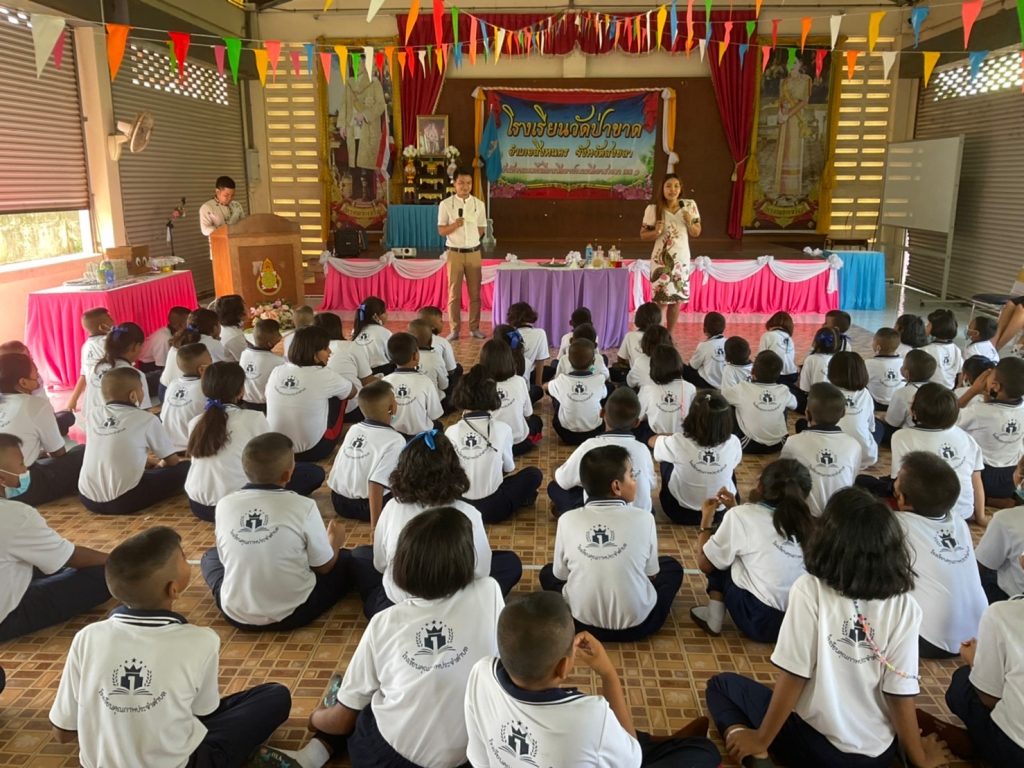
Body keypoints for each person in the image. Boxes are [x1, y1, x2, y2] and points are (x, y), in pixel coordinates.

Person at [705, 487, 952, 768]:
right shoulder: (905, 605)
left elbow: (794, 675)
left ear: (827, 540)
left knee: (721, 686)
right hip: (875, 757)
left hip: (816, 749)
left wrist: (762, 738)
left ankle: (757, 757)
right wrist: (920, 756)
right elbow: (899, 691)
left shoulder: (810, 590)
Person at [263, 507, 503, 768]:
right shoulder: (489, 592)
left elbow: (341, 721)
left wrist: (313, 719)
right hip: (468, 760)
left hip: (388, 761)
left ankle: (314, 753)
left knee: (366, 702)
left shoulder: (386, 622)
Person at [49, 526, 291, 767]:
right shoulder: (201, 640)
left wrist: (118, 720)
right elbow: (203, 711)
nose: (187, 559)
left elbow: (63, 733)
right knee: (274, 696)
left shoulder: (87, 637)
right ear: (173, 589)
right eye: (183, 557)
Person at [464, 592, 721, 768]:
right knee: (704, 753)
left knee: (605, 736)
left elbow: (479, 758)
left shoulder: (480, 673)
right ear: (564, 666)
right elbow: (634, 761)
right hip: (607, 742)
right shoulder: (591, 715)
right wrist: (607, 673)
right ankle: (666, 745)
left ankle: (660, 742)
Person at [352, 430, 522, 618]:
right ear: (454, 470)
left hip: (402, 604)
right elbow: (481, 571)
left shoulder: (392, 507)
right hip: (454, 603)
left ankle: (388, 611)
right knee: (509, 564)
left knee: (360, 556)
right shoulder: (468, 513)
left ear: (403, 471)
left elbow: (380, 563)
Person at [201, 433, 351, 631]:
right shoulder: (302, 505)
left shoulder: (224, 504)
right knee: (347, 559)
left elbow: (225, 558)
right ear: (288, 475)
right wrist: (335, 540)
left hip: (236, 614)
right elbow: (323, 567)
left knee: (210, 557)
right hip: (295, 613)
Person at [541, 445, 683, 642]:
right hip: (640, 626)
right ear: (616, 486)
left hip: (579, 624)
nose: (635, 481)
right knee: (672, 568)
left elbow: (560, 575)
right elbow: (651, 573)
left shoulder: (567, 519)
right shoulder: (644, 518)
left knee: (547, 573)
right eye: (632, 476)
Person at [691, 460, 815, 643]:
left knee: (722, 551)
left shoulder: (741, 516)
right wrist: (736, 509)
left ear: (760, 485)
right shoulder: (811, 524)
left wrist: (706, 521)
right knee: (735, 543)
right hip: (798, 625)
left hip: (759, 621)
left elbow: (705, 564)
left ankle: (713, 617)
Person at [0, 433, 109, 641]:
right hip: (6, 618)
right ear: (2, 478)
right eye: (21, 464)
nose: (25, 470)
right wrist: (115, 560)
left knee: (36, 559)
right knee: (104, 574)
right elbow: (71, 557)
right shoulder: (15, 515)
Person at [185, 362, 324, 522]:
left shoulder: (195, 422)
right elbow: (272, 458)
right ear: (241, 391)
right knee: (313, 473)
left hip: (199, 506)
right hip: (239, 505)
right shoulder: (253, 419)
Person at [894, 452, 987, 659]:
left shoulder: (896, 525)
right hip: (979, 634)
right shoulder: (959, 523)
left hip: (931, 641)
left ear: (901, 498)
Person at [916, 595, 1024, 765]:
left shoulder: (1003, 612)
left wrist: (974, 661)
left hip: (1014, 751)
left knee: (962, 684)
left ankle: (977, 744)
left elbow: (989, 699)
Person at [78, 368, 187, 516]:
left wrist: (148, 461)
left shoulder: (93, 415)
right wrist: (159, 465)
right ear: (133, 395)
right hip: (124, 501)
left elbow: (113, 447)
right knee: (186, 468)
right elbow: (172, 461)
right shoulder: (146, 419)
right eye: (142, 389)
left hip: (87, 498)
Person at [446, 365, 542, 524]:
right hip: (494, 507)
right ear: (493, 397)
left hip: (462, 507)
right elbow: (509, 468)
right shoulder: (503, 429)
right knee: (534, 474)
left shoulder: (450, 431)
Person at [549, 388, 656, 516]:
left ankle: (576, 513)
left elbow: (563, 480)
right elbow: (652, 484)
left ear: (601, 413)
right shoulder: (643, 449)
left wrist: (555, 469)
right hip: (640, 517)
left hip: (600, 517)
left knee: (555, 488)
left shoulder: (590, 446)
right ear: (637, 423)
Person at [890, 383, 986, 525]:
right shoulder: (967, 438)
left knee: (871, 485)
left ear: (914, 411)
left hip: (923, 511)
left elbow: (899, 481)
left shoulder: (902, 436)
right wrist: (981, 517)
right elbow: (976, 480)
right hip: (963, 514)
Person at [0, 354, 84, 506]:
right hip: (19, 487)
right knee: (81, 453)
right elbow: (58, 453)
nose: (39, 378)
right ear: (23, 382)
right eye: (36, 374)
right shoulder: (34, 404)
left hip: (7, 478)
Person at [651, 390, 742, 525]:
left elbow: (652, 441)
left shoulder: (677, 441)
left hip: (680, 512)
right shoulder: (733, 441)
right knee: (729, 468)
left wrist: (671, 436)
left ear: (692, 416)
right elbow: (734, 463)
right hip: (721, 512)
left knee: (665, 455)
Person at [266, 325, 355, 462]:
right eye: (325, 348)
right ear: (314, 353)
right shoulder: (325, 375)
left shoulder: (277, 371)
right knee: (341, 395)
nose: (330, 352)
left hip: (277, 449)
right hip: (315, 450)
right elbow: (352, 392)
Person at [327, 380, 405, 526]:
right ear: (391, 408)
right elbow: (376, 483)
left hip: (338, 501)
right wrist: (375, 528)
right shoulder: (395, 440)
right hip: (367, 507)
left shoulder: (354, 429)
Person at [781, 382, 862, 516]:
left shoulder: (794, 442)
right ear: (843, 413)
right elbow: (851, 479)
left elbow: (782, 475)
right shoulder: (854, 445)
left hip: (804, 515)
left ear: (807, 414)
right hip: (839, 516)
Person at [956, 358, 1024, 508]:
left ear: (995, 386)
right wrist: (989, 397)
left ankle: (987, 500)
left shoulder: (978, 411)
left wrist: (973, 391)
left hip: (983, 479)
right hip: (1012, 478)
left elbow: (946, 419)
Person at [639, 174, 701, 331]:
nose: (672, 190)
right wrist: (656, 231)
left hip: (681, 260)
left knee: (676, 300)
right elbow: (643, 235)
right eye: (668, 186)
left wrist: (689, 221)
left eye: (676, 186)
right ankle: (657, 334)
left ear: (680, 189)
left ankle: (670, 335)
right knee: (661, 300)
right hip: (661, 260)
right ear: (662, 189)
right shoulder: (653, 209)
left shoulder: (689, 205)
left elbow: (696, 232)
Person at [437, 169, 486, 340]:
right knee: (454, 293)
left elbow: (481, 229)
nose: (465, 187)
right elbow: (441, 230)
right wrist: (454, 226)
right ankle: (454, 329)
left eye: (468, 183)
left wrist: (470, 241)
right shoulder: (445, 204)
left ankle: (474, 328)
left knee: (475, 293)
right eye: (461, 183)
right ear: (454, 184)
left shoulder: (479, 204)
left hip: (473, 252)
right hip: (454, 253)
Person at [721, 350, 797, 454]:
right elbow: (795, 405)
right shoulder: (783, 390)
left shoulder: (742, 388)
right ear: (779, 374)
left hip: (750, 444)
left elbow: (723, 397)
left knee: (730, 405)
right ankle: (774, 432)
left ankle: (730, 436)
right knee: (784, 403)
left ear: (752, 371)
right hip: (779, 444)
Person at [974, 453, 1024, 602]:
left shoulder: (1006, 520)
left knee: (981, 573)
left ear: (1020, 478)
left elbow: (980, 566)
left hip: (1013, 600)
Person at [480, 338, 542, 455]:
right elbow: (528, 415)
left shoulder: (480, 385)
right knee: (536, 421)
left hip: (492, 447)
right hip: (519, 444)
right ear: (509, 360)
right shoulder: (519, 381)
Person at [382, 332, 444, 438]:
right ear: (415, 356)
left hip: (394, 436)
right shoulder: (425, 381)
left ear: (390, 357)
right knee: (439, 426)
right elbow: (435, 414)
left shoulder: (384, 382)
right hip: (421, 436)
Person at [84, 322, 152, 417]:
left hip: (93, 422)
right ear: (135, 347)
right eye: (141, 346)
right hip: (119, 423)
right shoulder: (134, 375)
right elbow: (144, 412)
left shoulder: (98, 367)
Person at [316, 311, 375, 420]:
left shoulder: (311, 353)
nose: (329, 352)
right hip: (351, 408)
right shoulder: (350, 346)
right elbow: (366, 381)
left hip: (321, 411)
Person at [547, 339, 607, 445]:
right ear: (593, 361)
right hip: (595, 432)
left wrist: (546, 386)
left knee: (557, 394)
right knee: (600, 399)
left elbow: (547, 388)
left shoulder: (562, 379)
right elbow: (604, 395)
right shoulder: (599, 379)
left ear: (569, 361)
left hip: (566, 433)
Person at [828, 351, 881, 468]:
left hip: (833, 452)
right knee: (879, 426)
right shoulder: (865, 394)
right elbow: (871, 426)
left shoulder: (826, 392)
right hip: (864, 457)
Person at [159, 342, 211, 453]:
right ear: (201, 370)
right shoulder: (206, 388)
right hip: (191, 448)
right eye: (211, 362)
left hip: (167, 446)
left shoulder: (173, 384)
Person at [638, 344, 695, 443]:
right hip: (682, 437)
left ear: (653, 367)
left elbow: (638, 417)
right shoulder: (690, 388)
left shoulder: (647, 388)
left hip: (656, 438)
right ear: (678, 363)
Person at [774, 58, 813, 202]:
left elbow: (804, 102)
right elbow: (781, 100)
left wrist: (788, 115)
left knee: (793, 151)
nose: (791, 65)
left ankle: (792, 189)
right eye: (789, 62)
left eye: (795, 63)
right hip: (784, 119)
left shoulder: (805, 80)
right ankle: (782, 189)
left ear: (801, 64)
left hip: (796, 119)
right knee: (783, 151)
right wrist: (780, 114)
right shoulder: (784, 82)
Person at [160, 308, 226, 393]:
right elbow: (224, 369)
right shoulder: (212, 343)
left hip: (165, 389)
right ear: (215, 327)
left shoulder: (180, 338)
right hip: (187, 391)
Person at [65, 307, 113, 414]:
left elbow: (84, 375)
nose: (113, 320)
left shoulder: (86, 347)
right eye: (110, 318)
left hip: (93, 399)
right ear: (103, 327)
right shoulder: (108, 343)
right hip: (111, 393)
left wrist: (73, 400)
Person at [884, 349, 938, 437]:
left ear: (906, 373)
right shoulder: (938, 389)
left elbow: (893, 423)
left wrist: (880, 416)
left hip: (911, 434)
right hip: (934, 433)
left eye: (903, 365)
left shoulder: (902, 393)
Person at [239, 318, 285, 411]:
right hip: (265, 406)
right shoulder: (277, 361)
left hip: (245, 403)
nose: (280, 337)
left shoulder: (244, 354)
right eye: (278, 335)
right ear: (269, 343)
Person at [612, 302, 661, 383]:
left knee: (614, 369)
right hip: (660, 378)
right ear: (658, 319)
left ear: (638, 318)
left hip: (638, 380)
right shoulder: (663, 336)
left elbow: (621, 359)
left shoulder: (630, 336)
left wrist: (632, 360)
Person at [795, 327, 839, 413]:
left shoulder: (810, 359)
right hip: (834, 404)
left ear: (816, 342)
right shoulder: (837, 359)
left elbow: (805, 387)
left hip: (814, 405)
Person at [507, 302, 551, 389]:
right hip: (528, 375)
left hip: (509, 376)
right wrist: (538, 385)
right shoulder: (540, 333)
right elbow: (540, 360)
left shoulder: (509, 333)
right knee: (551, 369)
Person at [865, 327, 905, 410]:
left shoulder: (868, 363)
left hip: (876, 404)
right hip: (897, 402)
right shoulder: (903, 362)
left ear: (878, 347)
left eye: (873, 341)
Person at [684, 311, 727, 389]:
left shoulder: (703, 345)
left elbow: (692, 367)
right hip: (725, 384)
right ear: (724, 328)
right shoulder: (729, 343)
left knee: (682, 368)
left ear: (704, 329)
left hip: (707, 384)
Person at [351, 296, 393, 374]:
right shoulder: (385, 333)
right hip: (382, 372)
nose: (387, 315)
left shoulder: (355, 331)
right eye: (384, 312)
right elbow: (392, 356)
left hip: (359, 371)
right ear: (375, 316)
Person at [923, 309, 964, 389]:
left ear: (934, 328)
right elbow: (961, 370)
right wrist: (958, 387)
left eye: (928, 324)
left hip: (930, 389)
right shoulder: (956, 349)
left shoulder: (926, 350)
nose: (926, 326)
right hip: (949, 389)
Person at [626, 325, 672, 389]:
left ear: (644, 343)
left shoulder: (640, 361)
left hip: (646, 393)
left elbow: (630, 383)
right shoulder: (674, 360)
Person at [758, 311, 798, 385]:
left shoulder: (767, 335)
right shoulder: (789, 338)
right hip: (793, 374)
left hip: (777, 376)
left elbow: (760, 357)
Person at [214, 294, 248, 362]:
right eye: (244, 305)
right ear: (238, 313)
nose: (247, 309)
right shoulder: (234, 336)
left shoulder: (223, 326)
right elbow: (247, 360)